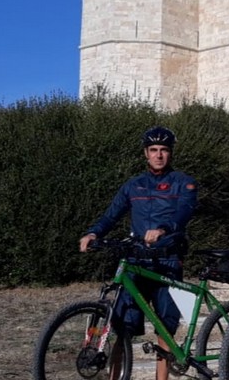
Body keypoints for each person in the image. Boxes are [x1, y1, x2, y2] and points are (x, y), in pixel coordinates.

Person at [79, 126, 197, 380]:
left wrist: (164, 229)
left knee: (165, 329)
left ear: (170, 153)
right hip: (135, 262)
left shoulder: (184, 182)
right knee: (121, 327)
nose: (159, 155)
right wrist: (93, 233)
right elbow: (111, 214)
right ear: (145, 153)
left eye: (164, 150)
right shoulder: (134, 185)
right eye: (153, 150)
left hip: (167, 262)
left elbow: (184, 213)